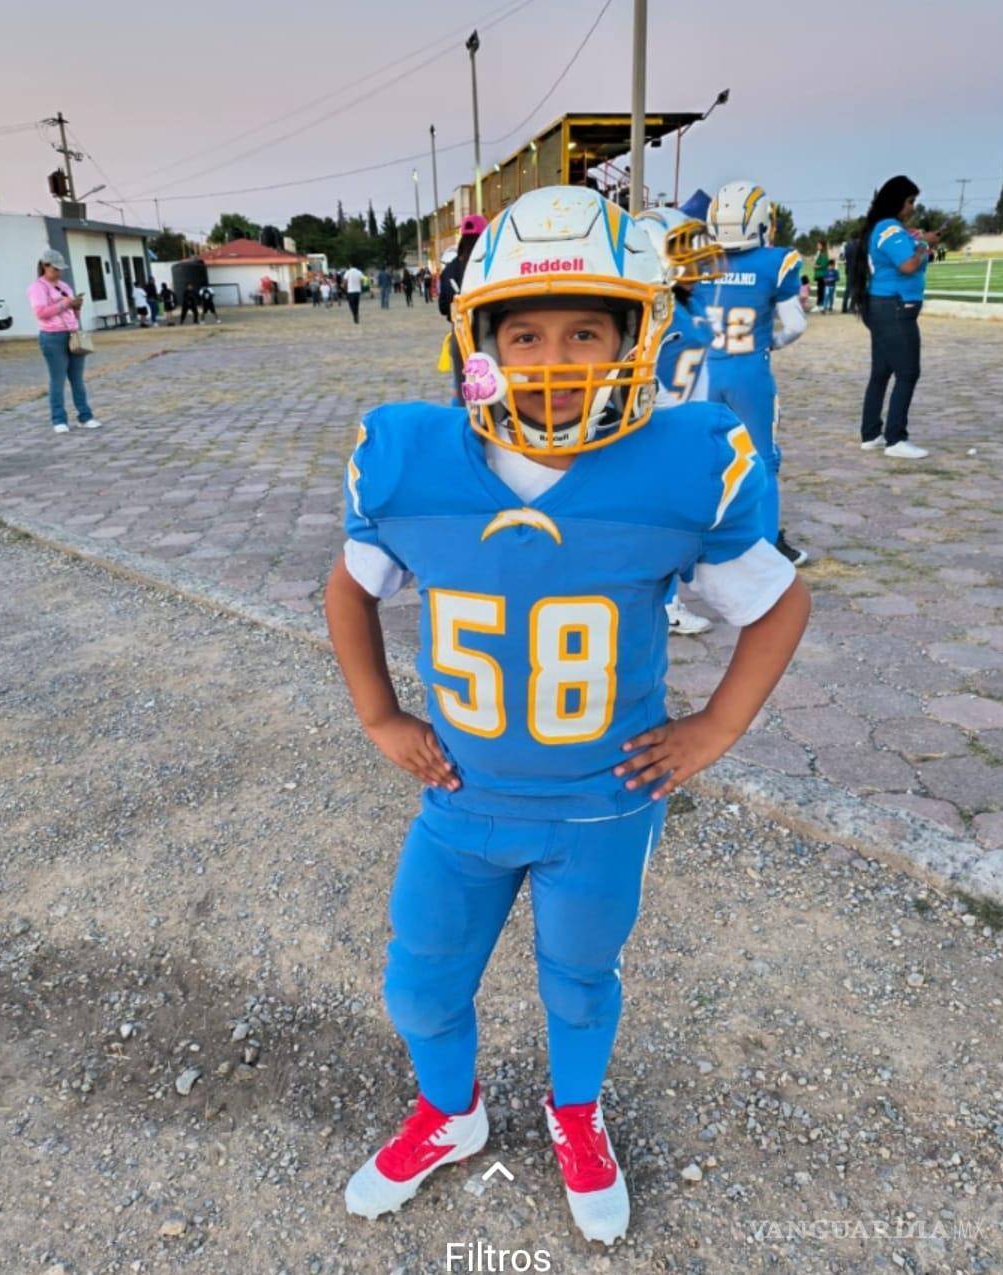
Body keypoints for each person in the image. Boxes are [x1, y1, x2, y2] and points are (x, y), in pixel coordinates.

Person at [326, 186, 810, 1247]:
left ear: (633, 334)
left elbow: (775, 604)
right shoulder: (413, 461)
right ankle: (450, 1115)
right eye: (526, 332)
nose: (553, 356)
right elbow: (347, 587)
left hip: (599, 804)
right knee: (417, 982)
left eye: (585, 330)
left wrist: (710, 730)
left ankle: (575, 1113)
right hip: (461, 798)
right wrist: (378, 714)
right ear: (478, 341)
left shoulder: (678, 466)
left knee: (580, 982)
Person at [695, 181, 809, 566]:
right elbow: (795, 325)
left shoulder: (697, 262)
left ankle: (701, 542)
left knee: (703, 457)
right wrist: (771, 341)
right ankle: (766, 548)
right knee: (762, 459)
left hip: (703, 370)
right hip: (748, 371)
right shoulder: (775, 262)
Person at [636, 203, 726, 637]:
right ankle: (666, 604)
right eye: (682, 250)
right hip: (670, 430)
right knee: (669, 522)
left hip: (667, 427)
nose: (694, 259)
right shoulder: (671, 317)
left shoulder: (665, 309)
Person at [847, 175, 940, 459]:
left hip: (885, 307)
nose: (913, 207)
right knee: (908, 372)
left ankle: (871, 433)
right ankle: (896, 439)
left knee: (882, 372)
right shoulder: (889, 228)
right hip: (896, 309)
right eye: (911, 201)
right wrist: (925, 245)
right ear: (897, 201)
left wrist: (917, 239)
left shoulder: (885, 228)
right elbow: (909, 265)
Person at [27, 247, 102, 434]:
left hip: (72, 334)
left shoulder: (65, 286)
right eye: (55, 268)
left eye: (60, 269)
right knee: (57, 379)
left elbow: (73, 314)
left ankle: (85, 416)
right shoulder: (37, 287)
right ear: (45, 266)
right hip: (52, 336)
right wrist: (65, 304)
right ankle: (59, 419)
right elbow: (41, 313)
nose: (58, 272)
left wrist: (76, 306)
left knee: (77, 380)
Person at [438, 215, 489, 405]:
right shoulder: (490, 263)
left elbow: (443, 307)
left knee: (462, 390)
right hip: (488, 332)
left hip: (460, 335)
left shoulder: (449, 269)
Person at [840, 240, 858, 313]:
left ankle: (844, 308)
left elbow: (842, 257)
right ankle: (852, 307)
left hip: (848, 270)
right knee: (855, 289)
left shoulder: (846, 246)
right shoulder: (859, 245)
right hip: (856, 270)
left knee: (847, 289)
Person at [814, 239, 830, 309]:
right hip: (819, 274)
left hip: (822, 274)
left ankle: (820, 304)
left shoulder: (823, 254)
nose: (817, 246)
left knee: (821, 290)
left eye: (819, 245)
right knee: (820, 290)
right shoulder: (819, 253)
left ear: (822, 246)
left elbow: (824, 264)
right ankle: (820, 304)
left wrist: (816, 266)